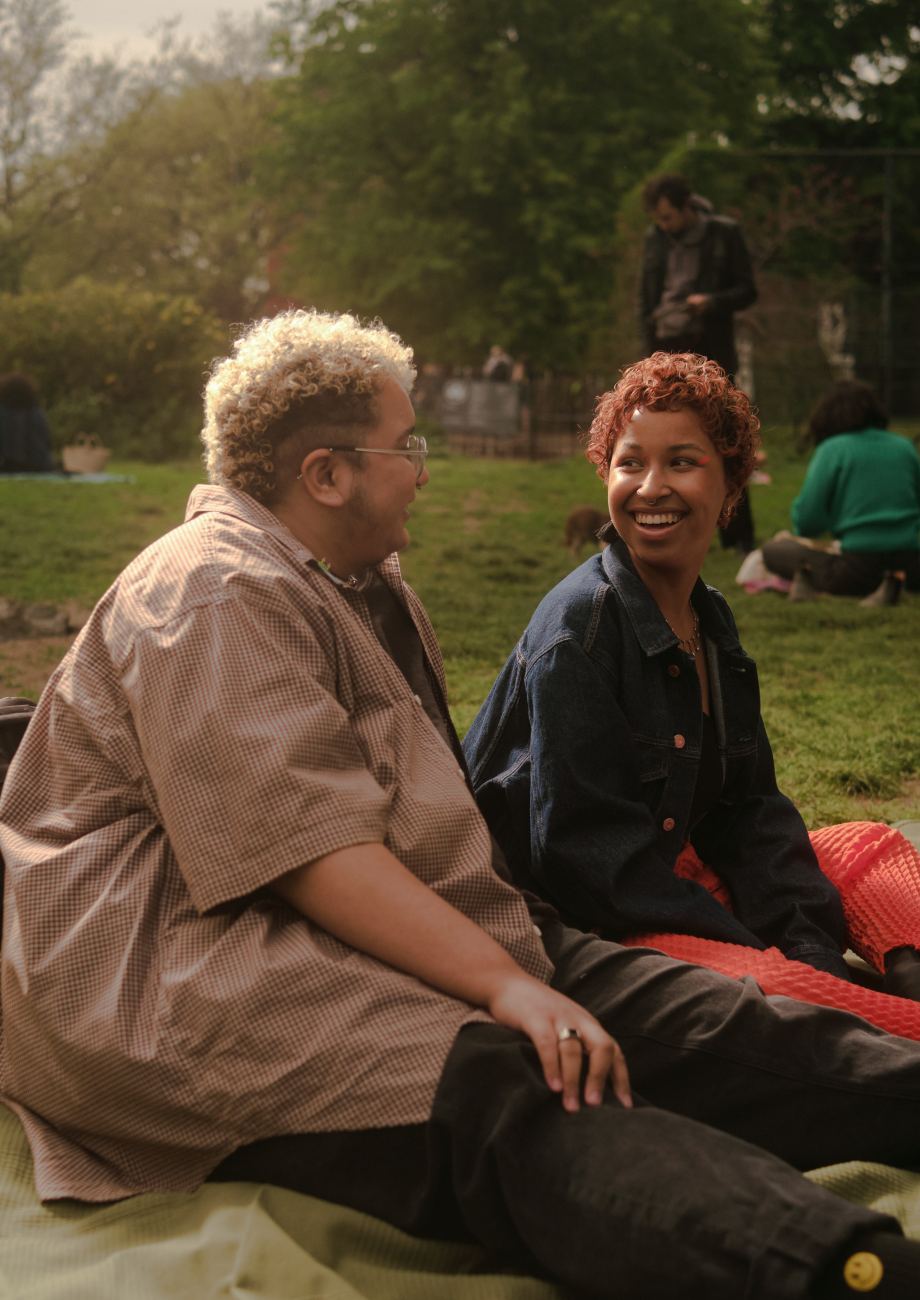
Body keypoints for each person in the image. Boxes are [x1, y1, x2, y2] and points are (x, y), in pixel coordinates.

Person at [7, 316, 920, 1300]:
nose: (423, 470)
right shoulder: (209, 595)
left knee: (715, 1025)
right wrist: (507, 988)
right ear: (326, 474)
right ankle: (854, 1269)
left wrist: (532, 964)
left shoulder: (359, 586)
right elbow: (312, 857)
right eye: (407, 446)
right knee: (513, 1084)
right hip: (190, 975)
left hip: (408, 920)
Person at [464, 351, 920, 1003]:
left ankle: (901, 977)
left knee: (871, 849)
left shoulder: (712, 621)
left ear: (732, 485)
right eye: (631, 463)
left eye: (682, 461)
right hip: (600, 924)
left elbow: (752, 814)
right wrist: (759, 947)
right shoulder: (580, 630)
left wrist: (811, 944)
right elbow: (592, 866)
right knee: (792, 999)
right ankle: (870, 1011)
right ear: (606, 475)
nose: (652, 487)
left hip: (680, 875)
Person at [639, 171, 758, 554]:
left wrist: (711, 301)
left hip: (710, 348)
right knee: (667, 441)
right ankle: (679, 532)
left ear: (686, 206)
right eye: (657, 219)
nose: (663, 225)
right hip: (665, 346)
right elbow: (646, 299)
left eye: (667, 217)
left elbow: (748, 290)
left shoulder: (724, 233)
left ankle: (738, 536)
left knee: (723, 439)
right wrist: (646, 360)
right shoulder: (655, 239)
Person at [762, 380, 920, 604]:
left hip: (856, 569)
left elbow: (808, 521)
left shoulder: (833, 449)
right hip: (911, 565)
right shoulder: (904, 446)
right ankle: (893, 583)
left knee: (773, 549)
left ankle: (875, 587)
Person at [0, 373, 54, 473]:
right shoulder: (36, 413)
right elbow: (47, 442)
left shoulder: (3, 414)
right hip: (40, 467)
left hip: (8, 467)